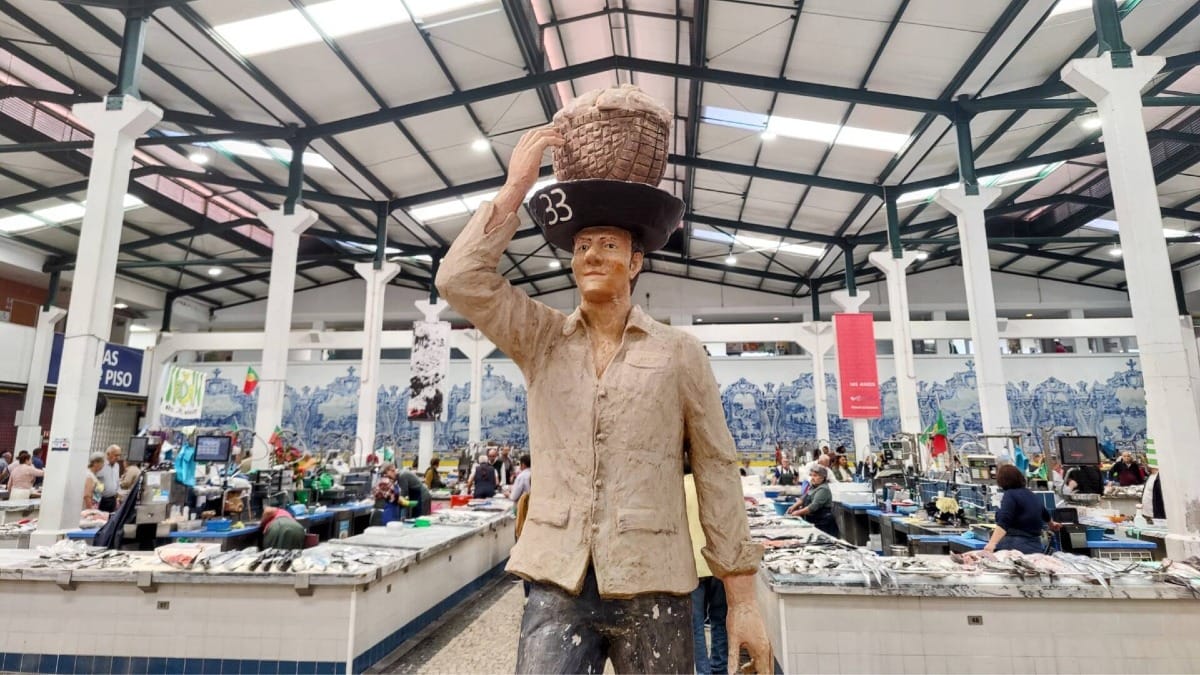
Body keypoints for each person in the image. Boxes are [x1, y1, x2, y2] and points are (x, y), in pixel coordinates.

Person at [436, 120, 770, 674]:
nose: (592, 255)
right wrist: (514, 190)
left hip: (655, 583)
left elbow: (715, 468)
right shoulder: (539, 339)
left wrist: (742, 600)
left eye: (608, 245)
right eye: (583, 246)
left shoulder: (678, 353)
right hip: (556, 581)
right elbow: (459, 281)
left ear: (635, 262)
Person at [685, 461, 727, 675]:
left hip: (691, 564)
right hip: (719, 563)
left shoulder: (677, 487)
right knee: (721, 619)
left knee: (696, 626)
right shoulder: (716, 484)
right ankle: (720, 667)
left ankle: (703, 672)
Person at [984, 465, 1060, 554]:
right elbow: (1045, 514)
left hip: (1014, 546)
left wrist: (992, 543)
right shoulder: (1031, 494)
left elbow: (1004, 520)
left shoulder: (1010, 494)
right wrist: (1052, 524)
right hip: (1035, 547)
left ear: (1001, 480)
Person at [786, 465, 839, 538]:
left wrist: (797, 513)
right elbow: (803, 498)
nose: (812, 478)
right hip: (815, 521)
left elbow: (813, 507)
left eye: (815, 476)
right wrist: (793, 506)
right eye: (811, 475)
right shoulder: (813, 486)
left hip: (824, 524)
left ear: (823, 477)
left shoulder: (823, 489)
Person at [98, 445, 123, 512]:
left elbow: (117, 481)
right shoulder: (100, 465)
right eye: (116, 455)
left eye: (119, 455)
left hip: (113, 500)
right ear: (108, 454)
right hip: (102, 499)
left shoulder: (117, 466)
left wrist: (119, 493)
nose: (118, 458)